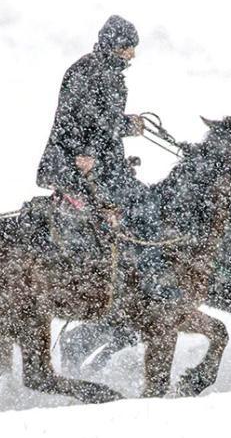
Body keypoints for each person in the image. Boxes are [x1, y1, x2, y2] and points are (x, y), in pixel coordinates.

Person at [37, 15, 180, 301]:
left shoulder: (109, 75)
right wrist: (88, 154)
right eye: (128, 46)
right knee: (144, 205)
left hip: (104, 163)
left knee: (146, 201)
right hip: (76, 165)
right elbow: (83, 120)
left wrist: (126, 125)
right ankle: (152, 280)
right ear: (114, 45)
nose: (133, 53)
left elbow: (102, 121)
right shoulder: (86, 72)